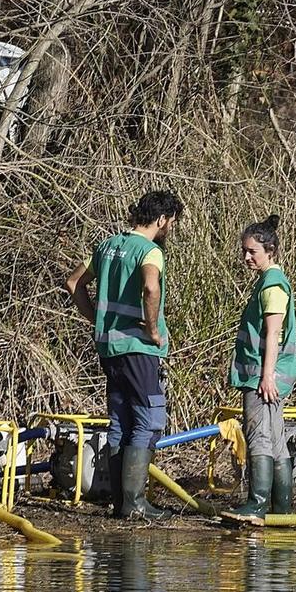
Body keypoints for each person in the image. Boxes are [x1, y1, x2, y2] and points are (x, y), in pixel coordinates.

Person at [63, 189, 183, 521]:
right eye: (170, 223)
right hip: (138, 349)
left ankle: (121, 504)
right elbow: (150, 287)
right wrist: (154, 330)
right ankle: (135, 503)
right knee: (148, 420)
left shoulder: (106, 246)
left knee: (120, 421)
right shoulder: (150, 251)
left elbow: (73, 283)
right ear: (162, 220)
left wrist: (97, 317)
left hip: (108, 347)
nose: (169, 229)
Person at [224, 214, 296, 523]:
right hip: (271, 374)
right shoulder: (271, 282)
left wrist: (266, 376)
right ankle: (281, 508)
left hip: (263, 375)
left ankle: (256, 504)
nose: (246, 257)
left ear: (270, 251)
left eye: (252, 251)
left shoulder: (272, 284)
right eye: (244, 250)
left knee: (258, 436)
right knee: (276, 441)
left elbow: (273, 333)